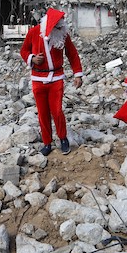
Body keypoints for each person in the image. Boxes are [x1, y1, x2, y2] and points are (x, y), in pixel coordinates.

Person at [20, 8, 83, 156]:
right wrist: (32, 58)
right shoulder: (34, 32)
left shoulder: (63, 35)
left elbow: (72, 54)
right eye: (58, 27)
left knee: (57, 111)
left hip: (56, 78)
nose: (62, 28)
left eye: (62, 26)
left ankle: (63, 138)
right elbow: (23, 51)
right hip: (38, 79)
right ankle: (47, 143)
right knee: (43, 113)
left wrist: (78, 74)